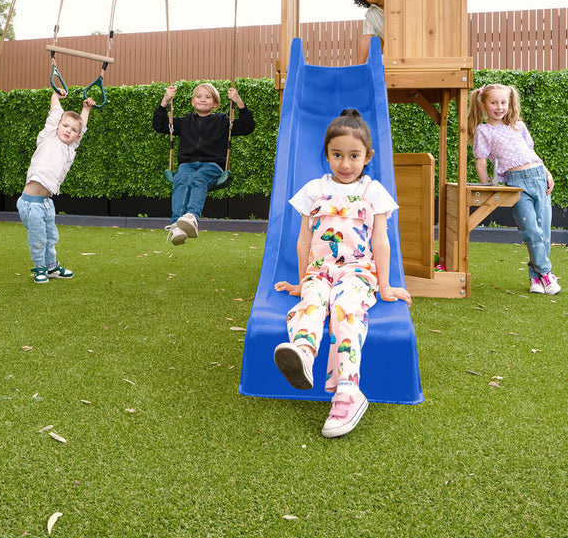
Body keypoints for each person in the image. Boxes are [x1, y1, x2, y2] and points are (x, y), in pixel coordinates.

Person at [273, 108, 411, 438]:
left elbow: (381, 240)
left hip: (356, 273)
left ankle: (349, 390)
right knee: (312, 303)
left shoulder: (373, 192)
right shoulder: (313, 189)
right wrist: (303, 280)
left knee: (345, 309)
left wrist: (385, 285)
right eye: (337, 155)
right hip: (320, 272)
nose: (345, 164)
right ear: (327, 154)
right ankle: (303, 355)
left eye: (354, 156)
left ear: (367, 157)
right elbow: (304, 238)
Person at [469, 83, 560, 295]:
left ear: (510, 104)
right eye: (494, 103)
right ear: (483, 105)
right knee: (531, 231)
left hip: (539, 177)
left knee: (543, 232)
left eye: (503, 102)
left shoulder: (519, 126)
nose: (499, 107)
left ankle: (535, 278)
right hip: (516, 184)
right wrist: (487, 188)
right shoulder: (484, 131)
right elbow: (480, 162)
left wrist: (547, 172)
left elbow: (531, 152)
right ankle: (547, 272)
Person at [153, 82, 255, 245]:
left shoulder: (223, 121)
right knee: (181, 179)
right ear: (193, 102)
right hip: (187, 164)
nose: (203, 99)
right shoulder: (185, 121)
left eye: (208, 97)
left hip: (211, 166)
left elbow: (247, 126)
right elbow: (159, 125)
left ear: (215, 104)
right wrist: (165, 101)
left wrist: (239, 102)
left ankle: (192, 217)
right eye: (199, 96)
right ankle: (176, 225)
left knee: (198, 178)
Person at [17, 91, 94, 283]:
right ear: (57, 126)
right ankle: (39, 268)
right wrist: (55, 95)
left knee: (51, 237)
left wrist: (86, 109)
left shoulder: (70, 148)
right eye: (65, 125)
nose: (68, 130)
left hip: (46, 203)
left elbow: (82, 126)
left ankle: (51, 267)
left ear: (77, 136)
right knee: (38, 239)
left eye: (73, 130)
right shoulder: (49, 136)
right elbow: (55, 113)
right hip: (30, 204)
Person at [351, 0, 385, 64]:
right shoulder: (371, 14)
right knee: (379, 62)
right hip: (396, 52)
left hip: (418, 42)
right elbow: (366, 37)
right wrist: (359, 67)